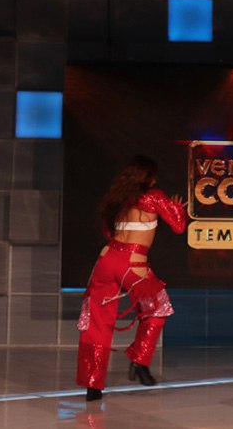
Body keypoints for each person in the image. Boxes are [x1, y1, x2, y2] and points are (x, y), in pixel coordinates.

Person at [76, 155, 187, 401]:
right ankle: (139, 361)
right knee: (157, 309)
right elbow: (179, 226)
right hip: (133, 264)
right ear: (149, 177)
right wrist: (177, 208)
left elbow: (108, 232)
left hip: (106, 260)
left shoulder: (117, 198)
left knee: (96, 323)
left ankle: (93, 386)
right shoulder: (153, 196)